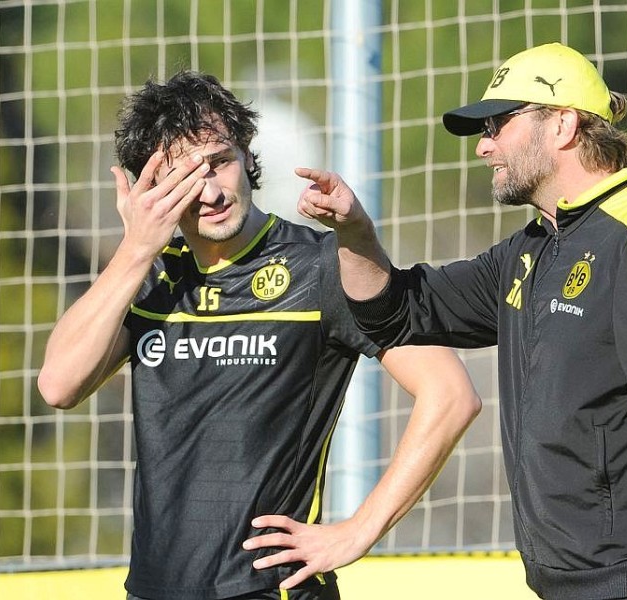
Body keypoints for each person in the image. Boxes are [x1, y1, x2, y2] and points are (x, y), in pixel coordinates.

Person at [291, 43, 627, 599]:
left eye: (497, 125)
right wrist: (355, 232)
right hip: (562, 585)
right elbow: (397, 312)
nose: (484, 147)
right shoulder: (530, 248)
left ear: (562, 125)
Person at [37, 70, 481, 600]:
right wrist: (136, 250)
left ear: (247, 155)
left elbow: (452, 395)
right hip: (152, 590)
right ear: (148, 191)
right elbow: (58, 386)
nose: (209, 191)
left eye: (219, 162)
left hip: (274, 590)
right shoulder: (148, 279)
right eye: (181, 179)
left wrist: (357, 532)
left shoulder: (321, 267)